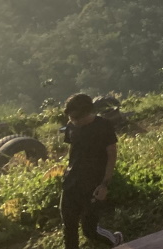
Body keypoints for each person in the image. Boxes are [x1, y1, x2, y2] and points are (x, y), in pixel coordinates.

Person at [60, 93, 122, 248]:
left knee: (89, 230)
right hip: (71, 183)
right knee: (69, 227)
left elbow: (111, 154)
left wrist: (104, 184)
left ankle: (115, 240)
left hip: (93, 184)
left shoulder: (103, 126)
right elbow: (73, 150)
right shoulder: (71, 126)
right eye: (70, 118)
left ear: (88, 113)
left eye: (75, 118)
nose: (72, 121)